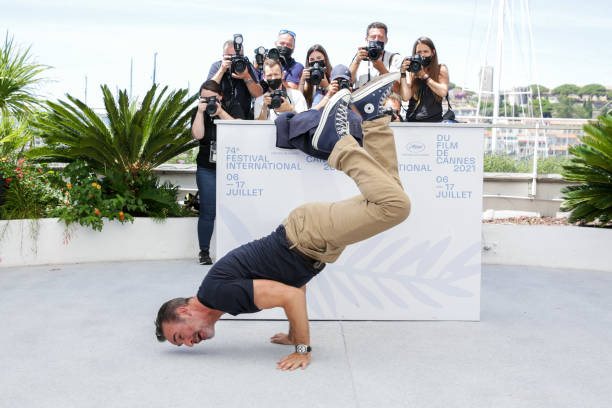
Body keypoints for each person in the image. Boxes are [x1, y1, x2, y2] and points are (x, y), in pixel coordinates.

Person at [155, 72, 410, 371]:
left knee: (395, 206)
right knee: (392, 194)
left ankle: (336, 144)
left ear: (184, 311)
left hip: (308, 236)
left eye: (179, 337)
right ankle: (373, 116)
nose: (188, 343)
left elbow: (288, 295)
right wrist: (292, 334)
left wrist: (302, 349)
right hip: (307, 236)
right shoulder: (219, 299)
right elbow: (291, 285)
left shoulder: (216, 294)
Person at [191, 80, 241, 265]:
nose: (207, 101)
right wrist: (199, 111)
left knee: (236, 209)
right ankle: (204, 251)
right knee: (208, 210)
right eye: (203, 98)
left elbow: (240, 128)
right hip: (207, 168)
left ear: (220, 96)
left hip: (232, 167)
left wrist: (220, 112)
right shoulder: (200, 111)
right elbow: (198, 135)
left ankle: (235, 251)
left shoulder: (232, 105)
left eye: (211, 98)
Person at [207, 39, 263, 119]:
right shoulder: (217, 66)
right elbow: (207, 91)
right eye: (230, 57)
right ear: (223, 56)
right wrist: (222, 70)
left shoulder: (248, 67)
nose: (234, 61)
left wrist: (246, 76)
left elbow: (259, 94)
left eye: (237, 57)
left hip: (243, 120)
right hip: (219, 119)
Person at [399, 36, 450, 122]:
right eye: (419, 52)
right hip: (412, 121)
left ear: (433, 52)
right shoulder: (411, 71)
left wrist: (424, 76)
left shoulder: (440, 69)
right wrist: (403, 74)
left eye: (425, 51)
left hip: (434, 122)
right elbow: (405, 97)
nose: (422, 55)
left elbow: (443, 92)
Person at [349, 22, 402, 90]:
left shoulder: (394, 59)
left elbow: (398, 89)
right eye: (373, 37)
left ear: (386, 40)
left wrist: (382, 69)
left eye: (380, 37)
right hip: (362, 100)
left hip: (386, 100)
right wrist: (356, 62)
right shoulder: (360, 57)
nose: (376, 40)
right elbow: (348, 83)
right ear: (367, 39)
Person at [299, 44, 333, 109]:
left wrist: (327, 86)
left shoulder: (333, 74)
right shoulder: (308, 80)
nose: (316, 63)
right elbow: (298, 100)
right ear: (308, 62)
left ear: (325, 59)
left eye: (319, 58)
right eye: (312, 59)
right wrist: (302, 81)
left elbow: (339, 96)